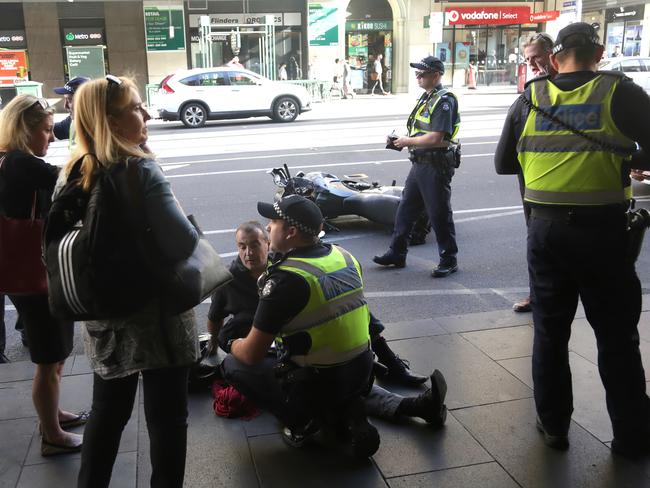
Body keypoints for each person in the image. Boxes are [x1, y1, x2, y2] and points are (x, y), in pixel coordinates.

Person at [494, 22, 650, 457]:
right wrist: (630, 158)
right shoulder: (621, 92)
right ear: (599, 52)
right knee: (617, 336)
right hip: (604, 233)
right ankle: (632, 436)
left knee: (549, 331)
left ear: (557, 58)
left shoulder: (530, 98)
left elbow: (504, 162)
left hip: (544, 231)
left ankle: (554, 426)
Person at [72, 76, 200, 487]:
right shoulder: (140, 169)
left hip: (106, 319)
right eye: (135, 107)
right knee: (167, 420)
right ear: (110, 120)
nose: (145, 114)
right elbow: (182, 242)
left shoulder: (75, 171)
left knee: (107, 417)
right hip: (157, 321)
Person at [221, 195, 381, 458]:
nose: (269, 227)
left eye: (273, 221)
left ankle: (303, 423)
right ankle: (346, 407)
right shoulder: (344, 255)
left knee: (234, 365)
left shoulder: (285, 279)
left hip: (321, 380)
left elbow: (251, 354)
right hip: (362, 369)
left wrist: (230, 342)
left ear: (291, 232)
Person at [208, 221, 441, 392]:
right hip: (270, 343)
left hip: (298, 333)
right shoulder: (229, 281)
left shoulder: (283, 269)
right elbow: (215, 315)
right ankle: (379, 379)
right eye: (241, 247)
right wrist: (213, 343)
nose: (248, 253)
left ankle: (388, 363)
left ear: (267, 244)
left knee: (353, 308)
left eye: (254, 245)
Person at [0, 94, 86, 455]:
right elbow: (72, 178)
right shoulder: (20, 162)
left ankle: (53, 414)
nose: (51, 138)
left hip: (27, 272)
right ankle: (51, 433)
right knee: (49, 358)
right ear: (25, 130)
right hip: (32, 275)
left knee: (55, 354)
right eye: (47, 131)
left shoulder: (10, 160)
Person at [374, 56, 460, 278]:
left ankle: (448, 259)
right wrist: (400, 139)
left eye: (423, 73)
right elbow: (421, 133)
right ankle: (397, 253)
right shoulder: (427, 98)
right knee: (405, 211)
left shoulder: (444, 101)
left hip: (435, 165)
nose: (418, 77)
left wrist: (406, 141)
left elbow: (436, 138)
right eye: (417, 74)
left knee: (439, 214)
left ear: (436, 75)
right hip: (420, 163)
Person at [511, 33, 558, 314]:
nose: (531, 64)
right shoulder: (532, 92)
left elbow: (503, 159)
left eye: (536, 57)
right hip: (535, 184)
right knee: (537, 242)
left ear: (553, 54)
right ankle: (537, 294)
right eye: (527, 59)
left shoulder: (575, 88)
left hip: (552, 186)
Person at [52, 76, 91, 148]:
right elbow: (54, 129)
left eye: (69, 100)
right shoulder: (73, 121)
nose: (65, 106)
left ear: (85, 101)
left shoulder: (104, 128)